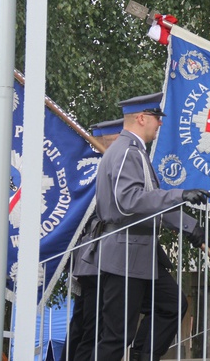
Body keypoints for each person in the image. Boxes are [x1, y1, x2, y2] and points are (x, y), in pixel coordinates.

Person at [89, 92, 210, 360]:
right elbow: (129, 201)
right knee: (116, 336)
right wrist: (180, 194)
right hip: (124, 256)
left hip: (139, 256)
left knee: (172, 305)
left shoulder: (134, 152)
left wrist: (188, 225)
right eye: (156, 117)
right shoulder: (126, 152)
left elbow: (150, 204)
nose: (160, 123)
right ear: (141, 118)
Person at [65, 118, 122, 361]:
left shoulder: (93, 168)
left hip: (90, 260)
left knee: (84, 325)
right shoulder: (101, 170)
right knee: (92, 329)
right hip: (95, 260)